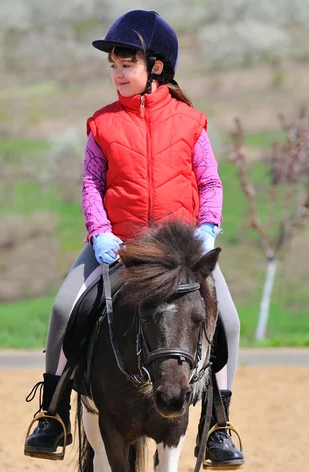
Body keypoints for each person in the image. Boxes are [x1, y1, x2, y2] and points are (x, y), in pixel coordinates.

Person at [24, 10, 244, 468]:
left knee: (230, 322)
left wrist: (207, 228)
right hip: (119, 245)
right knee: (65, 308)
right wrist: (99, 232)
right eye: (113, 67)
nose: (118, 74)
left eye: (127, 65)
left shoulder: (191, 122)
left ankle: (218, 424)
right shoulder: (101, 124)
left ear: (155, 67)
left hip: (180, 251)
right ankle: (53, 413)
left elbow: (211, 183)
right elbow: (90, 184)